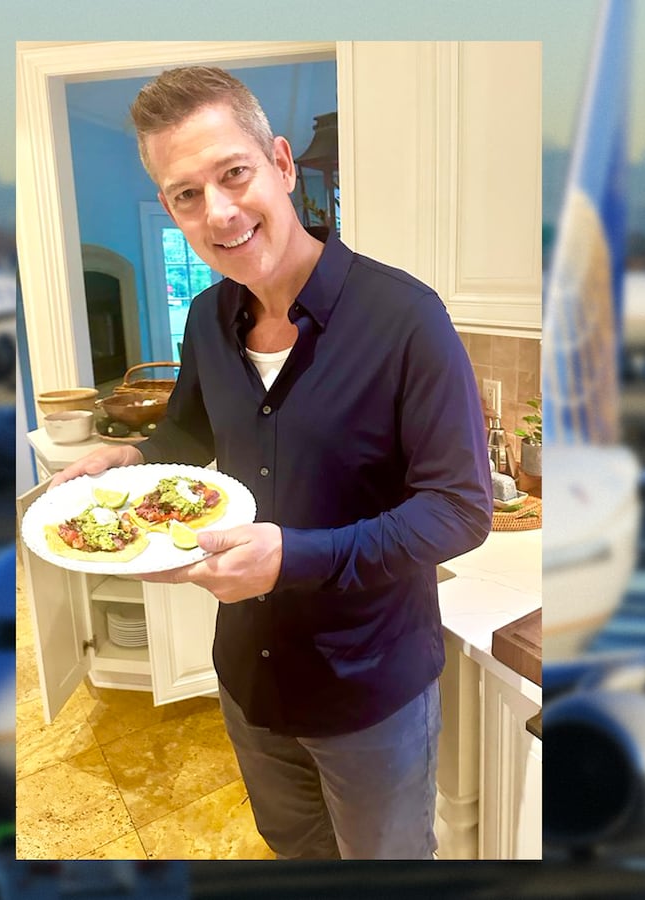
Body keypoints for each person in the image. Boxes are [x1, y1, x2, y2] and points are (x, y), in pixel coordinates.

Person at [49, 65, 490, 859]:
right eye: (186, 194)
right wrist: (127, 458)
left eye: (234, 173)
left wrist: (294, 557)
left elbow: (460, 509)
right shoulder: (206, 318)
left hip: (369, 689)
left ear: (281, 164)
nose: (218, 211)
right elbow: (187, 438)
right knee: (292, 849)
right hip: (248, 675)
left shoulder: (406, 319)